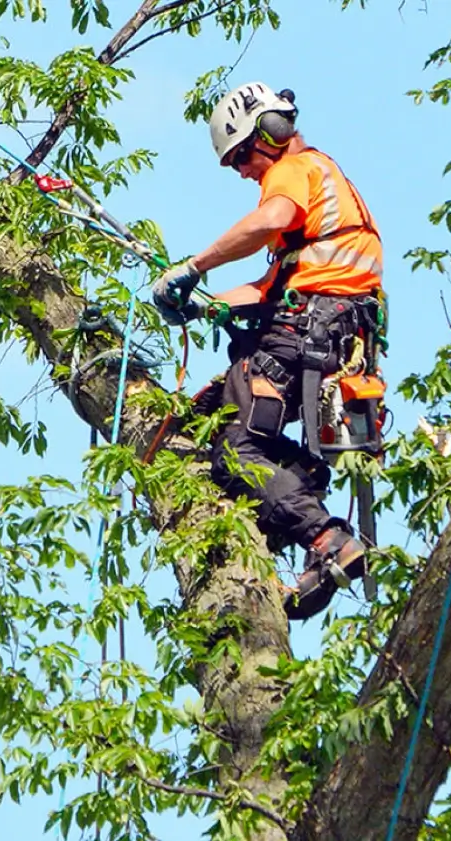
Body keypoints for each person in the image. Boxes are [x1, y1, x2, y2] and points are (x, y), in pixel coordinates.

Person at [151, 81, 385, 621]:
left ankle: (325, 536)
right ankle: (305, 498)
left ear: (271, 132)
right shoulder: (322, 208)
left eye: (241, 155)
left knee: (234, 449)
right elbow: (267, 287)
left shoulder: (293, 170)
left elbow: (267, 221)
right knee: (225, 428)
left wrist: (195, 265)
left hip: (310, 328)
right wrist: (203, 304)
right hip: (326, 329)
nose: (241, 171)